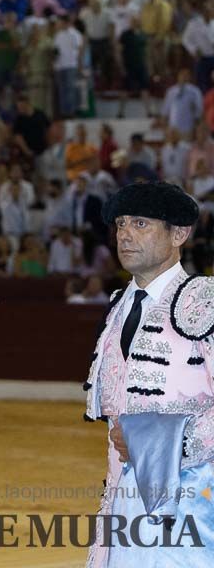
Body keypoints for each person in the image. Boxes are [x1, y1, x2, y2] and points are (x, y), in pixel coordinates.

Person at [83, 181, 214, 567]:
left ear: (180, 233)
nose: (124, 234)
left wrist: (156, 439)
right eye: (121, 224)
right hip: (124, 501)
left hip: (196, 498)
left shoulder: (205, 303)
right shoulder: (117, 309)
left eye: (140, 224)